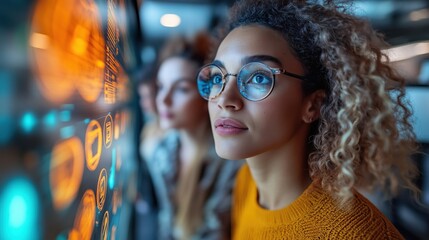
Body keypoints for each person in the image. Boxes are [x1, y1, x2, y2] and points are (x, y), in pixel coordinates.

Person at [196, 0, 420, 239]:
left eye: (258, 78)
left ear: (312, 105)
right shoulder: (247, 184)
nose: (224, 99)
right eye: (218, 78)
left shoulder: (355, 233)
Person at [146, 32, 242, 240]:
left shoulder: (231, 159)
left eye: (181, 89)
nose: (163, 99)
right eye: (161, 87)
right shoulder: (159, 152)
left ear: (207, 96)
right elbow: (166, 222)